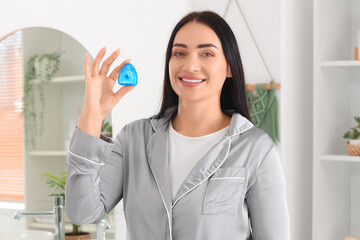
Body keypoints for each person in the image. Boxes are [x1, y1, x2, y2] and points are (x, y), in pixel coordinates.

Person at [65, 10, 290, 240]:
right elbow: (82, 213)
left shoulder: (256, 150)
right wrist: (91, 117)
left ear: (230, 67)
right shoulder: (134, 139)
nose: (190, 65)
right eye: (180, 52)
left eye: (206, 53)